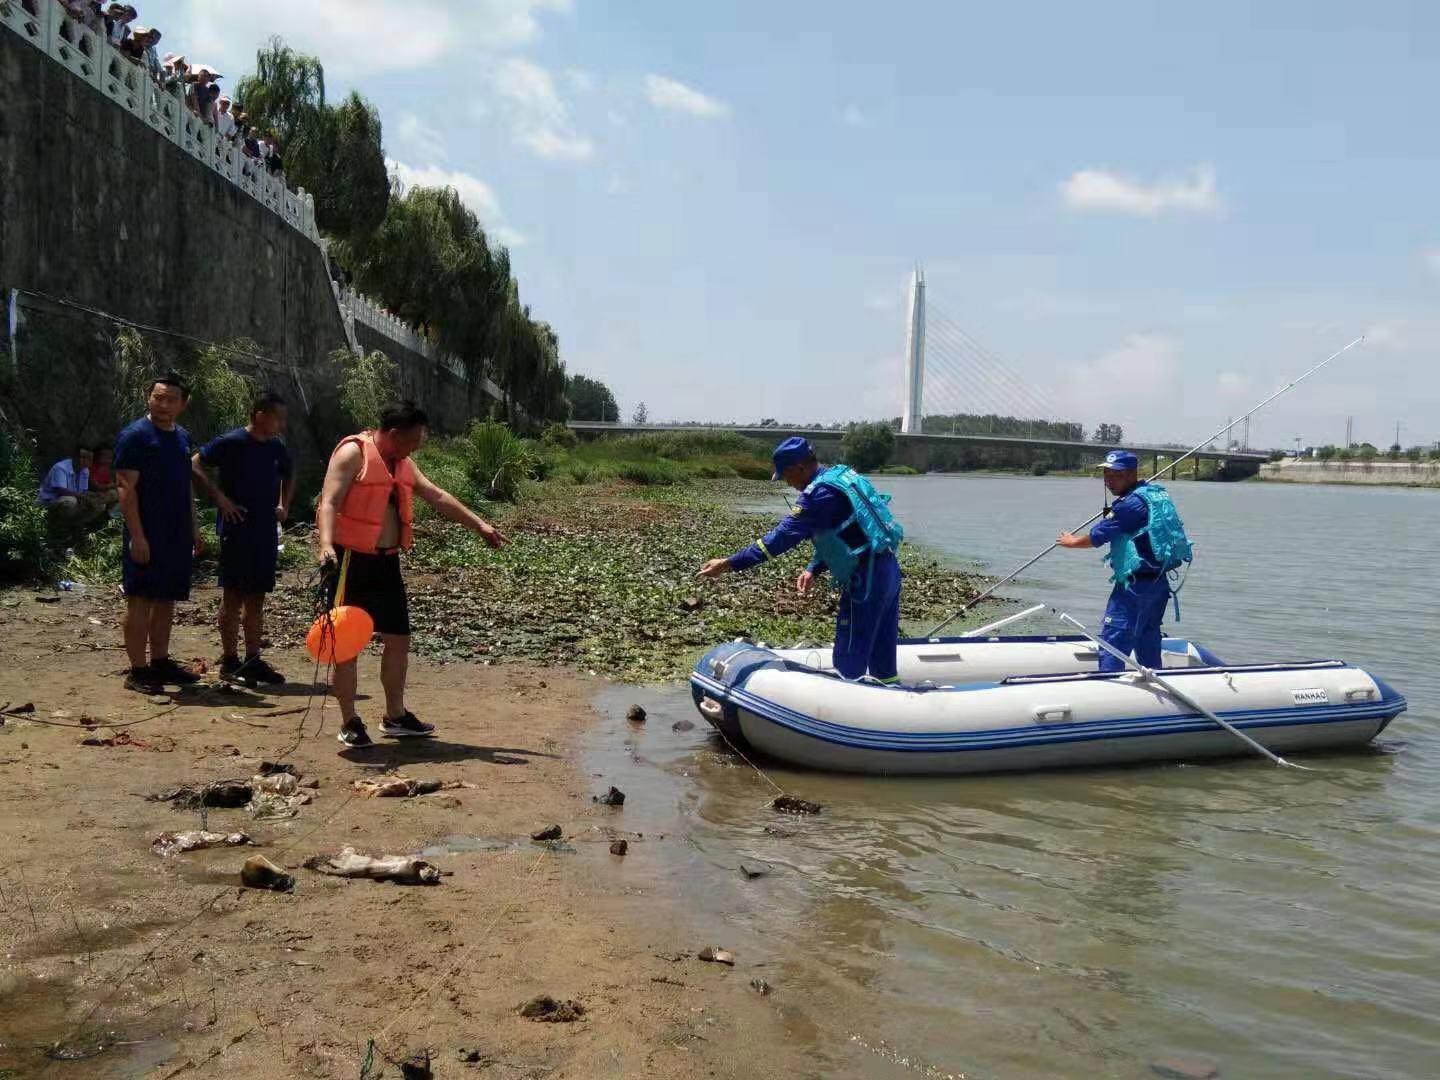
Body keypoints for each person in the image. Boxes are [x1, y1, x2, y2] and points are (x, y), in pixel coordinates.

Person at [316, 401, 508, 748]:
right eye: (413, 440)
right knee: (346, 645)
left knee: (398, 639)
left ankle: (395, 715)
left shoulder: (402, 463)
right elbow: (328, 502)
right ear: (393, 434)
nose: (416, 447)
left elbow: (436, 495)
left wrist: (479, 525)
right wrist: (326, 546)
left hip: (387, 563)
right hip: (349, 563)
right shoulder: (352, 453)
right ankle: (349, 721)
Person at [697, 437, 906, 682]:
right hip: (887, 570)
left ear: (799, 468)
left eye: (786, 475)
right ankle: (889, 700)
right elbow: (844, 533)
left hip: (866, 579)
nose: (787, 482)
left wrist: (729, 563)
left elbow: (780, 539)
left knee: (848, 657)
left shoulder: (819, 494)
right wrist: (813, 569)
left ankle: (842, 712)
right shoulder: (838, 476)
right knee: (883, 658)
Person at [1057, 449, 1193, 672]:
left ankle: (1108, 687)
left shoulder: (1129, 505)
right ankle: (1153, 678)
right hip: (1158, 584)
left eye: (1116, 475)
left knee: (1114, 637)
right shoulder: (1152, 494)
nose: (1108, 480)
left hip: (1134, 587)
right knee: (1146, 636)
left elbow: (1097, 537)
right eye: (1106, 475)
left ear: (1131, 474)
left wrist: (1071, 541)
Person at [192, 392, 294, 687]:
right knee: (233, 594)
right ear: (260, 414)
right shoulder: (232, 442)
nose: (282, 424)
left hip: (264, 529)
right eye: (279, 417)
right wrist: (221, 500)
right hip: (237, 528)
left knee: (258, 596)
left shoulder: (276, 447)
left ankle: (252, 658)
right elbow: (195, 463)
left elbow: (289, 473)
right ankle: (229, 660)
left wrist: (283, 504)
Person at [115, 373, 204, 694]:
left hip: (176, 534)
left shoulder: (181, 437)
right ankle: (138, 671)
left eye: (170, 399)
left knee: (166, 600)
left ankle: (161, 662)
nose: (162, 404)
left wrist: (194, 527)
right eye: (157, 397)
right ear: (148, 397)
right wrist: (137, 536)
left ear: (183, 404)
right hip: (147, 532)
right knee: (139, 600)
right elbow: (125, 489)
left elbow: (185, 487)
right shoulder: (135, 436)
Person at [38, 445, 108, 526]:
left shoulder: (85, 470)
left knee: (100, 503)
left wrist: (94, 495)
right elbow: (61, 490)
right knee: (70, 501)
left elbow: (83, 491)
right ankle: (54, 525)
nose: (86, 461)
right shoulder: (60, 468)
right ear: (74, 457)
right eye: (83, 457)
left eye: (89, 459)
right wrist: (82, 497)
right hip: (48, 503)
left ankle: (75, 526)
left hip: (73, 500)